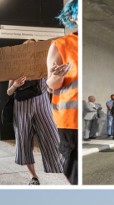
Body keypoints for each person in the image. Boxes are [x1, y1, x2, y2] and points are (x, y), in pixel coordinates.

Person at [7, 72, 64, 185]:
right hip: (21, 106)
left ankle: (65, 170)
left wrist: (56, 78)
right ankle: (34, 177)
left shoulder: (43, 65)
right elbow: (9, 92)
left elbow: (51, 88)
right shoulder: (16, 68)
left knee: (53, 137)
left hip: (42, 103)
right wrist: (15, 85)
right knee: (24, 141)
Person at [47, 0, 78, 185]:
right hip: (69, 119)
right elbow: (51, 85)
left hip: (79, 118)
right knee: (73, 172)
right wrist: (57, 76)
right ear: (73, 16)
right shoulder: (61, 44)